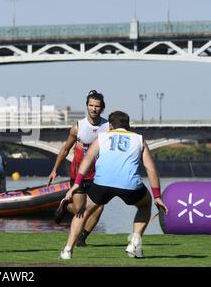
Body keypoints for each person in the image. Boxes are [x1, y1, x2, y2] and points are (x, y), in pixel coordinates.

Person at [59, 111, 169, 259]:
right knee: (144, 205)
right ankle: (134, 242)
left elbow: (88, 159)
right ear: (128, 126)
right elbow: (150, 168)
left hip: (102, 183)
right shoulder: (139, 139)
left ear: (110, 125)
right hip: (130, 185)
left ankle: (67, 250)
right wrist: (157, 196)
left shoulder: (102, 137)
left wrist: (76, 183)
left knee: (83, 213)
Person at [47, 90, 109, 246]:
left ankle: (82, 238)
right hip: (78, 173)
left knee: (99, 208)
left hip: (98, 174)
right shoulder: (78, 127)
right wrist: (55, 170)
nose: (93, 108)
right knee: (79, 208)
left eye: (97, 106)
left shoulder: (108, 127)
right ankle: (65, 206)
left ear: (102, 108)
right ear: (87, 106)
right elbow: (65, 149)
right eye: (91, 105)